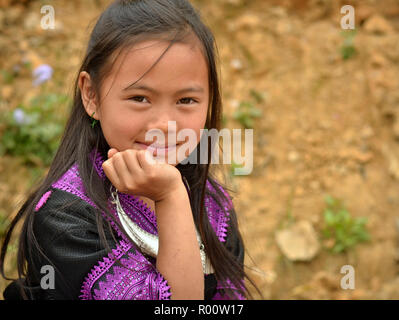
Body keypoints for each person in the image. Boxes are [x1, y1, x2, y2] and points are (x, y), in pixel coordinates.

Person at [0, 0, 258, 300]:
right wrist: (170, 197)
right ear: (91, 95)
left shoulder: (211, 205)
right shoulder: (65, 220)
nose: (164, 124)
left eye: (186, 100)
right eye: (139, 98)